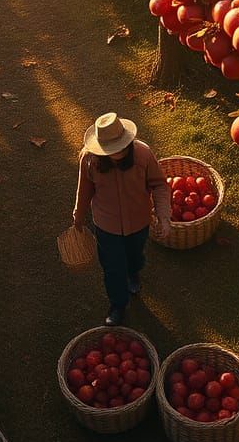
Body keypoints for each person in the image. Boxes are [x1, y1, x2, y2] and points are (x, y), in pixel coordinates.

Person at [72, 112, 171, 326]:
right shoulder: (89, 160)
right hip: (107, 226)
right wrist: (78, 215)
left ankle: (134, 273)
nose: (118, 153)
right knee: (112, 267)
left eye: (121, 148)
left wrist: (164, 217)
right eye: (111, 150)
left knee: (135, 255)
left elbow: (160, 184)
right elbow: (85, 190)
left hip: (139, 221)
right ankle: (118, 304)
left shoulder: (143, 154)